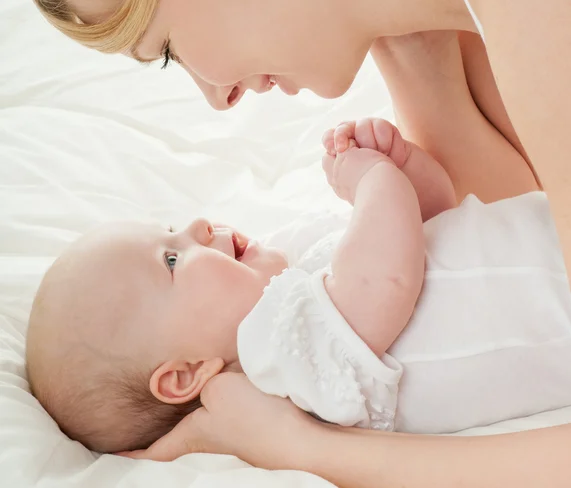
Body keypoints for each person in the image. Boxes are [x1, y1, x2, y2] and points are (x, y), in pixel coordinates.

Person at [16, 0, 571, 480]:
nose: (219, 96)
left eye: (169, 50)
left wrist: (301, 450)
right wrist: (410, 50)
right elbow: (519, 237)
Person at [27, 118, 571, 459]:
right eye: (171, 259)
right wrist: (377, 183)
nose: (195, 228)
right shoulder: (278, 364)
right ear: (185, 374)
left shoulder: (304, 288)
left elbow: (428, 243)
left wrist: (406, 173)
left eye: (172, 227)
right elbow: (388, 279)